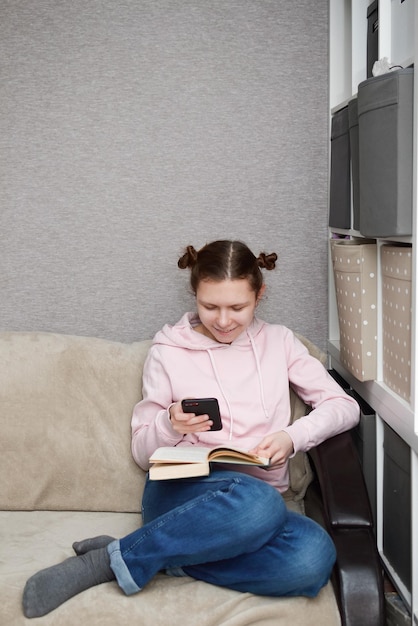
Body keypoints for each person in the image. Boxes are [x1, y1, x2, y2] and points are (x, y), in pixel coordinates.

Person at [22, 239, 359, 618]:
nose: (223, 320)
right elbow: (141, 452)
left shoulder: (280, 343)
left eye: (238, 307)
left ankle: (142, 553)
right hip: (179, 495)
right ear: (194, 294)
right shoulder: (167, 351)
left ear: (259, 295)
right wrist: (168, 424)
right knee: (261, 504)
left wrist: (292, 436)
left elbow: (344, 407)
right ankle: (109, 564)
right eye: (209, 306)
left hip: (250, 507)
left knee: (314, 557)